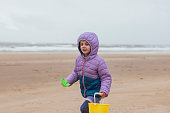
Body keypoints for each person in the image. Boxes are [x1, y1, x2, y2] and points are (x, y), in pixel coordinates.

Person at [61, 32, 112, 113]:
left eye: (87, 44)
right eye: (81, 44)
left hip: (96, 92)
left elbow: (106, 77)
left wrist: (103, 91)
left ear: (93, 46)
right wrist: (68, 81)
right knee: (91, 110)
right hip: (87, 90)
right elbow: (76, 73)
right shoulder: (79, 59)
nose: (83, 46)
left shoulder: (99, 61)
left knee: (84, 108)